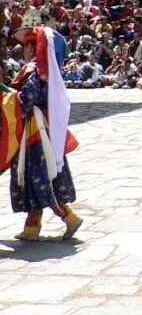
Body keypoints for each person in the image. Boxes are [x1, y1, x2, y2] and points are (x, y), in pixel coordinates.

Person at [2, 22, 83, 240]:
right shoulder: (47, 71)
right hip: (43, 128)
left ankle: (69, 216)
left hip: (33, 131)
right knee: (37, 175)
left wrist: (6, 97)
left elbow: (27, 100)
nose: (26, 50)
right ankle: (32, 227)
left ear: (33, 48)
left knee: (36, 174)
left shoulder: (33, 71)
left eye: (29, 45)